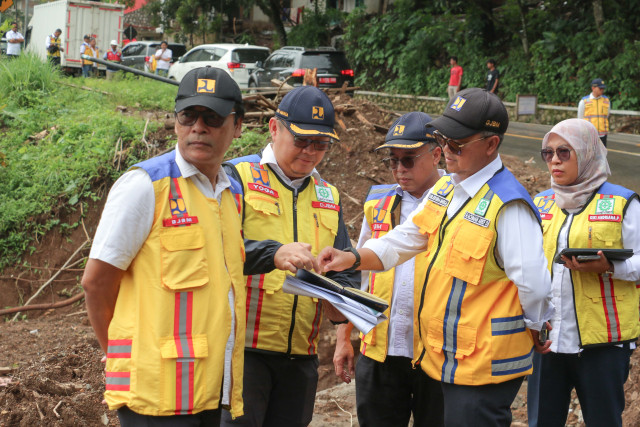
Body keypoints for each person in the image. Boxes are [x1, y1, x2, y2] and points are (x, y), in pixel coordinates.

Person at [319, 88, 554, 427]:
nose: (446, 151)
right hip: (448, 359)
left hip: (483, 367)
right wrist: (353, 258)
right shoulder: (448, 190)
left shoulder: (509, 205)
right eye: (444, 140)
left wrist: (536, 325)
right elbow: (407, 238)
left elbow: (533, 283)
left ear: (490, 145)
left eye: (457, 144)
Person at [81, 67, 249, 425]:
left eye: (213, 117)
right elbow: (96, 283)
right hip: (153, 395)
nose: (198, 127)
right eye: (188, 115)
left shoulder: (230, 193)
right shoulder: (144, 187)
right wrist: (116, 354)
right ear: (175, 122)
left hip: (208, 391)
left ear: (236, 126)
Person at [220, 85, 360, 427]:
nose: (311, 151)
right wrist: (274, 254)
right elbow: (216, 251)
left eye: (321, 144)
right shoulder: (237, 177)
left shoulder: (328, 195)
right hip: (243, 353)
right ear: (273, 128)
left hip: (301, 356)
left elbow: (346, 265)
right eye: (301, 140)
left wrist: (341, 302)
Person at [333, 111, 445, 427]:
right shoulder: (378, 205)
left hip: (436, 353)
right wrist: (344, 337)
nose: (398, 169)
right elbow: (359, 275)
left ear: (436, 154)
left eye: (407, 160)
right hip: (380, 351)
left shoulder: (459, 205)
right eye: (392, 161)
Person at [527, 118, 640, 427]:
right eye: (547, 153)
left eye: (564, 152)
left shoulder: (622, 203)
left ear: (587, 152)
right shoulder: (540, 203)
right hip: (548, 340)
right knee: (541, 421)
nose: (554, 160)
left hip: (603, 345)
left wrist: (611, 266)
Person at [578, 78, 610, 146]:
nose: (602, 90)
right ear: (593, 88)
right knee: (589, 155)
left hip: (602, 135)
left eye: (603, 88)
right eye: (600, 88)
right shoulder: (584, 101)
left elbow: (607, 115)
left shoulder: (606, 101)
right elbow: (580, 119)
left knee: (602, 156)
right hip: (589, 135)